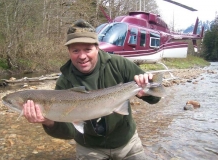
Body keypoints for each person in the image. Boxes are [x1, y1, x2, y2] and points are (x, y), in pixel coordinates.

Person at [23, 19, 161, 159]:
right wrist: (48, 121)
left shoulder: (119, 64)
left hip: (126, 143)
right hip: (89, 148)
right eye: (75, 50)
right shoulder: (64, 82)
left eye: (88, 49)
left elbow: (156, 96)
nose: (82, 56)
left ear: (97, 47)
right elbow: (69, 132)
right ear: (69, 51)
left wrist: (145, 91)